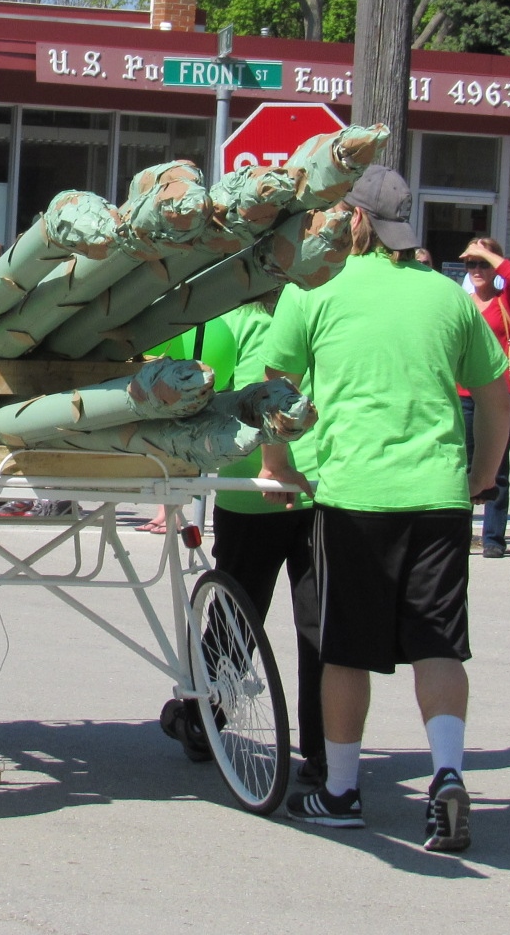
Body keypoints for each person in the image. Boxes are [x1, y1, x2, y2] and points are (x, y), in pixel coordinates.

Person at [260, 165, 508, 852]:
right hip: (439, 495)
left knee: (346, 649)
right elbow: (494, 393)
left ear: (358, 221)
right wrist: (483, 471)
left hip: (354, 495)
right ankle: (449, 773)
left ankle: (340, 791)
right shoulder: (449, 298)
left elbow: (274, 385)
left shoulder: (315, 289)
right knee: (438, 640)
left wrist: (278, 465)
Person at [190, 293, 326, 786]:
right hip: (304, 486)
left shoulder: (236, 316)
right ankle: (324, 750)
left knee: (237, 618)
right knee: (313, 627)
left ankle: (203, 718)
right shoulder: (317, 305)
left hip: (259, 487)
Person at [459, 237, 510, 556]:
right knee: (464, 465)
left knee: (497, 465)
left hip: (501, 392)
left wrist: (484, 251)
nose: (477, 268)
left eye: (484, 262)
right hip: (463, 392)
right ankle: (460, 530)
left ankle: (494, 537)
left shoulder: (503, 300)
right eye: (472, 263)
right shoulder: (462, 300)